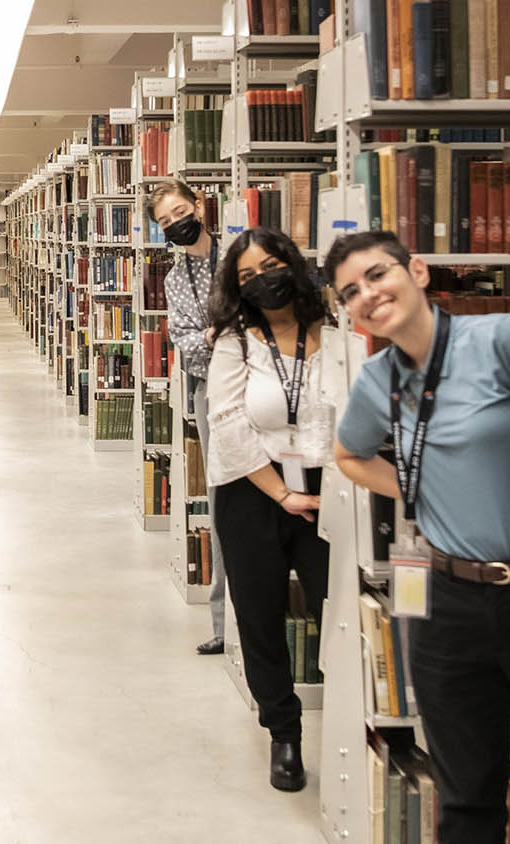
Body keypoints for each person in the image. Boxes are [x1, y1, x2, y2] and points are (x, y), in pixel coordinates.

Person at [327, 231, 510, 842]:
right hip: (446, 600)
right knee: (467, 795)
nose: (369, 295)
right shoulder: (376, 381)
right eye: (350, 292)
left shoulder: (503, 340)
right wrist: (421, 491)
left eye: (378, 274)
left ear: (417, 270)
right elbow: (349, 454)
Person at [205, 226, 331, 793]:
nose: (262, 281)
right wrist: (282, 492)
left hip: (331, 487)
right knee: (259, 618)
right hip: (254, 488)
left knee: (342, 608)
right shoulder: (234, 338)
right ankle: (284, 732)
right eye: (247, 277)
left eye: (270, 267)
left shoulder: (339, 326)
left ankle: (366, 719)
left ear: (293, 263)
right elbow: (226, 422)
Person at [148, 179, 227, 656]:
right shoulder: (176, 279)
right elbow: (185, 342)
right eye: (165, 221)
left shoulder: (240, 253)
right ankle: (223, 623)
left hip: (265, 386)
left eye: (181, 211)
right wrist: (220, 336)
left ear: (199, 205)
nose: (177, 223)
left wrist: (217, 335)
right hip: (210, 390)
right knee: (221, 502)